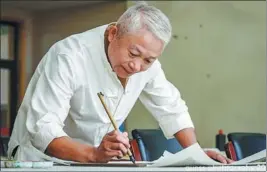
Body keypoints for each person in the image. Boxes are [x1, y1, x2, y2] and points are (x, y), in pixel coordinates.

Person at [8, 2, 233, 164]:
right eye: (133, 53)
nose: (137, 66)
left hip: (93, 162)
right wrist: (94, 154)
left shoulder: (147, 65)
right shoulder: (68, 55)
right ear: (113, 33)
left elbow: (172, 108)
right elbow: (43, 129)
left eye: (148, 60)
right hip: (40, 160)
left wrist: (197, 154)